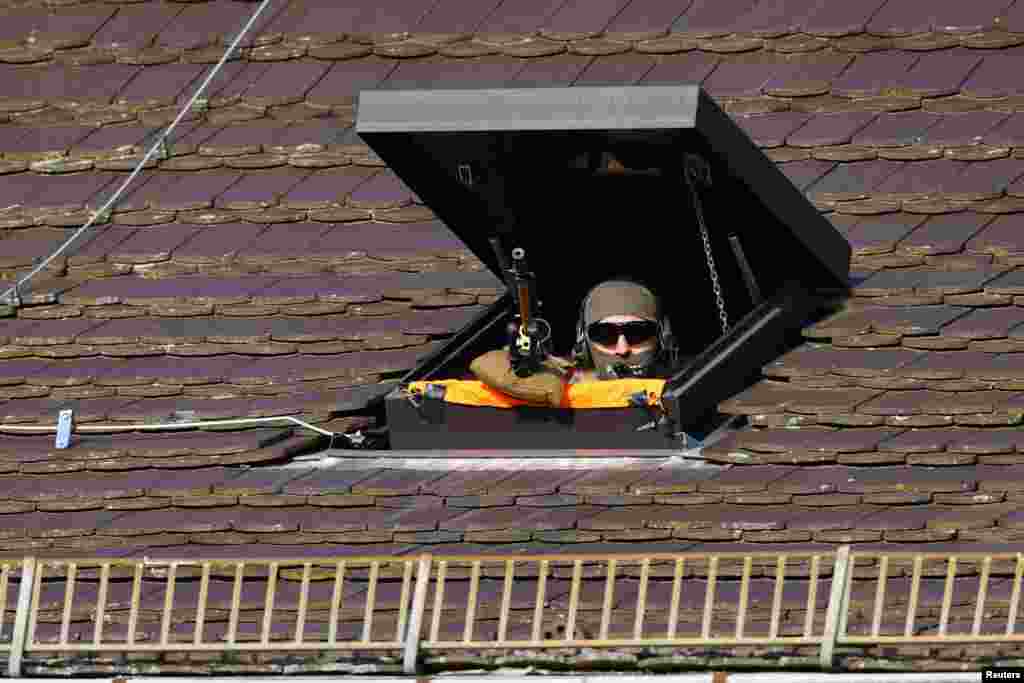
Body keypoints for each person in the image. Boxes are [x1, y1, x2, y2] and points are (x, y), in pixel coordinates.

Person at [470, 279, 675, 406]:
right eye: (605, 335)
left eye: (637, 333)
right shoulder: (567, 383)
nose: (623, 349)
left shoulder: (686, 384)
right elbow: (488, 364)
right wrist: (531, 371)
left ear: (662, 338)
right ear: (583, 342)